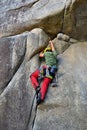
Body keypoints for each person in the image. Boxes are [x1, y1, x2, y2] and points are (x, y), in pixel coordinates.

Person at [30, 40, 58, 105]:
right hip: (52, 72)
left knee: (32, 76)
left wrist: (42, 51)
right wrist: (51, 43)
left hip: (45, 69)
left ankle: (37, 86)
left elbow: (40, 55)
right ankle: (41, 98)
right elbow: (53, 49)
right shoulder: (54, 54)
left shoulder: (46, 54)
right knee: (45, 84)